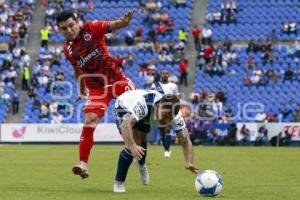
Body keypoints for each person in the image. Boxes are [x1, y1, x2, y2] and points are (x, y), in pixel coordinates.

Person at [56, 9, 136, 179]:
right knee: (89, 120)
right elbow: (78, 69)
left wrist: (124, 22)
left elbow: (113, 25)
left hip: (117, 80)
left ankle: (135, 149)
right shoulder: (68, 50)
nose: (69, 30)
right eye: (64, 29)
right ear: (60, 30)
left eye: (71, 25)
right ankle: (83, 165)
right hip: (97, 89)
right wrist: (80, 88)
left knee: (137, 112)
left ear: (77, 22)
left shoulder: (92, 28)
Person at [113, 89, 199, 192]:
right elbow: (125, 124)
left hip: (145, 115)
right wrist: (132, 145)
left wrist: (189, 162)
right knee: (132, 145)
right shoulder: (144, 104)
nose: (165, 120)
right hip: (124, 106)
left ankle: (141, 165)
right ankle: (119, 184)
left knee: (143, 137)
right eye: (164, 115)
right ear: (158, 105)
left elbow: (185, 140)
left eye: (169, 118)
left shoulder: (176, 117)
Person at [150, 69, 178, 158]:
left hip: (169, 110)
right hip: (158, 110)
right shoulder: (155, 85)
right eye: (163, 73)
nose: (164, 75)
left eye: (166, 73)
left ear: (168, 75)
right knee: (162, 132)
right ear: (161, 75)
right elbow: (151, 97)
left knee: (168, 129)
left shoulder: (173, 86)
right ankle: (167, 148)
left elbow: (176, 98)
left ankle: (166, 150)